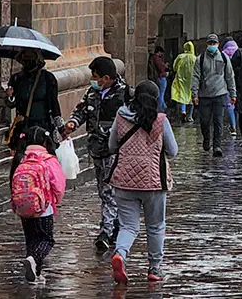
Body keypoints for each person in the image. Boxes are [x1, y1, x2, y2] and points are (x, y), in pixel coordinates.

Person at [109, 81, 178, 285]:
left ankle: (120, 254)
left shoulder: (121, 117)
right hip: (153, 183)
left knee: (128, 226)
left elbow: (112, 145)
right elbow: (173, 151)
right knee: (156, 226)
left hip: (124, 182)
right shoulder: (160, 120)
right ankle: (155, 269)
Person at [65, 56, 132, 252]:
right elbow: (82, 111)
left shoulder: (124, 94)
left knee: (109, 191)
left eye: (95, 77)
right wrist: (73, 124)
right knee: (105, 190)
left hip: (116, 151)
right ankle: (116, 226)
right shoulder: (92, 93)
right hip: (97, 149)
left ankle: (106, 230)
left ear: (106, 77)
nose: (93, 81)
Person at [11, 126, 66, 283]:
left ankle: (35, 273)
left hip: (23, 207)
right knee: (46, 239)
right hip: (44, 208)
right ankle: (34, 261)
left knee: (31, 239)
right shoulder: (48, 160)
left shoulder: (20, 158)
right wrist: (56, 199)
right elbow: (59, 184)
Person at [5, 49, 63, 153]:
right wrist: (10, 96)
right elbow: (11, 104)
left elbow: (54, 104)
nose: (27, 61)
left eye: (30, 58)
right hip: (24, 125)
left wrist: (61, 127)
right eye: (25, 58)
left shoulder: (47, 78)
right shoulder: (17, 78)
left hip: (43, 124)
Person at [191, 34, 237, 157]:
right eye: (210, 43)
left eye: (214, 43)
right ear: (207, 44)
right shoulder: (200, 59)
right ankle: (207, 138)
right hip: (204, 95)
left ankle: (217, 145)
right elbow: (196, 77)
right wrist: (194, 93)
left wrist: (233, 93)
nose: (212, 45)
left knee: (218, 121)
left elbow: (229, 76)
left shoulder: (224, 58)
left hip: (220, 94)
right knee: (205, 121)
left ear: (218, 44)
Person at [170, 42, 196, 124]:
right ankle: (190, 116)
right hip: (192, 80)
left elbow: (174, 66)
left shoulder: (180, 57)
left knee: (182, 95)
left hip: (181, 79)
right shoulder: (194, 58)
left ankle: (183, 111)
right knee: (191, 97)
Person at [221, 37, 240, 136]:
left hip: (227, 82)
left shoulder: (223, 54)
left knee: (230, 104)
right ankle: (236, 123)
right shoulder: (239, 53)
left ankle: (233, 126)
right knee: (237, 104)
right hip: (239, 82)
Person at [147, 46, 169, 111]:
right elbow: (161, 67)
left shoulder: (154, 58)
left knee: (161, 93)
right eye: (161, 53)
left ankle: (163, 107)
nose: (161, 55)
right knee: (161, 94)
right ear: (159, 52)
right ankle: (161, 108)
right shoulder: (157, 58)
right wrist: (165, 67)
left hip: (158, 77)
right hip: (161, 77)